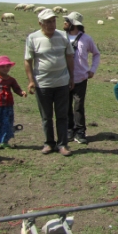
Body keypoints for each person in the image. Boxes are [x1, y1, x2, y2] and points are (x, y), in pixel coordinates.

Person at [24, 9, 75, 156]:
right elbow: (28, 61)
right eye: (48, 22)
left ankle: (63, 145)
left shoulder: (63, 36)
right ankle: (48, 143)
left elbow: (69, 57)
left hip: (62, 83)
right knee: (46, 116)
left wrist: (71, 77)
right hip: (42, 84)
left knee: (62, 115)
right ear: (40, 23)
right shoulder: (32, 38)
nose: (51, 24)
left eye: (53, 21)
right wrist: (31, 81)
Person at [63, 11, 101, 144]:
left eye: (67, 21)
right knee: (66, 105)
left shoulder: (86, 39)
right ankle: (68, 130)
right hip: (63, 78)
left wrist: (92, 70)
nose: (64, 23)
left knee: (78, 105)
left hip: (81, 78)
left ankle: (80, 132)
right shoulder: (61, 37)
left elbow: (96, 54)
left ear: (74, 24)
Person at [0, 55, 27, 149]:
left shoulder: (11, 80)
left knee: (7, 124)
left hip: (8, 106)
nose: (5, 68)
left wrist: (22, 93)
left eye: (7, 66)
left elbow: (16, 89)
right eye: (2, 66)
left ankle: (4, 141)